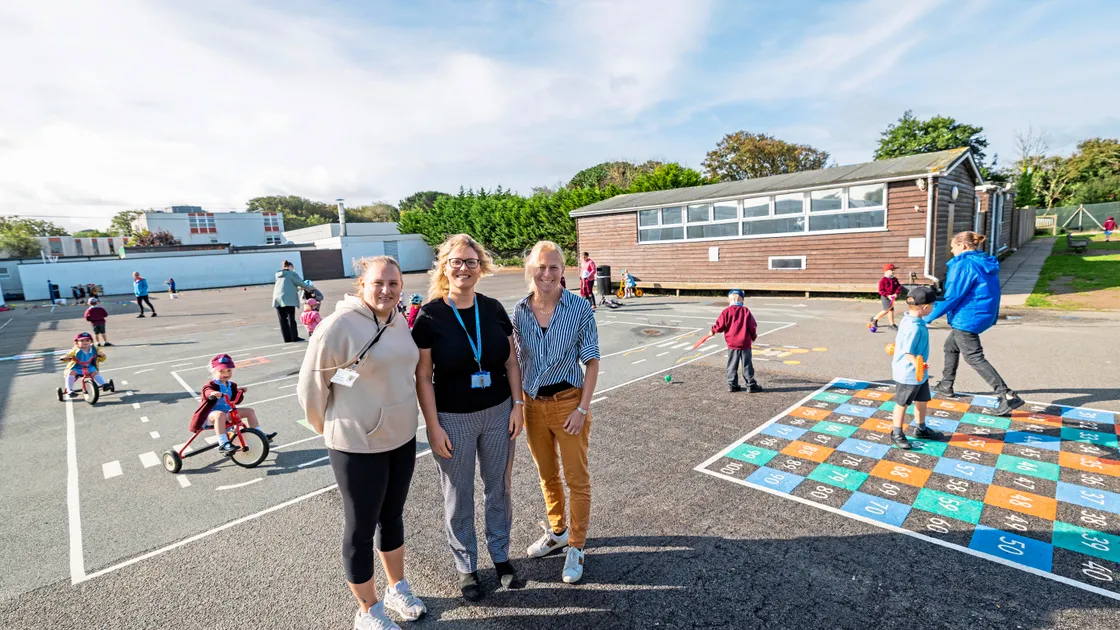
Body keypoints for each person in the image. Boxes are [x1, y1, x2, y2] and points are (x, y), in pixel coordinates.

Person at [298, 256, 426, 630]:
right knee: (360, 528)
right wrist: (339, 431)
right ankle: (367, 610)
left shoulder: (399, 319)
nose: (386, 290)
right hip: (356, 445)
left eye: (393, 284)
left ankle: (396, 588)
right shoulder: (336, 327)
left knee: (393, 517)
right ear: (362, 285)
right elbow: (310, 392)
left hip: (401, 438)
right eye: (378, 283)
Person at [412, 234, 525, 601]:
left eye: (471, 262)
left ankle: (501, 556)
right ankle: (467, 567)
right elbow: (423, 376)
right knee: (458, 495)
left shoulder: (492, 309)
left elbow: (511, 361)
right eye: (456, 262)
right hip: (452, 418)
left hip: (497, 413)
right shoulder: (430, 315)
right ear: (445, 267)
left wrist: (518, 405)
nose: (464, 268)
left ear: (481, 268)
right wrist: (432, 425)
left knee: (499, 488)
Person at [513, 241, 600, 584]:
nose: (547, 274)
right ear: (530, 270)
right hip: (533, 405)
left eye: (553, 268)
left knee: (576, 479)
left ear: (563, 271)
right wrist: (518, 405)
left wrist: (582, 408)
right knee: (547, 475)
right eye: (541, 267)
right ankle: (558, 530)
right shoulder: (519, 311)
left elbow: (591, 361)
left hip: (568, 403)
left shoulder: (578, 307)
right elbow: (516, 363)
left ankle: (576, 546)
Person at [925, 231, 1024, 416]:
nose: (952, 251)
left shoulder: (964, 264)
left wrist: (926, 318)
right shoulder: (982, 261)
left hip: (967, 316)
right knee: (950, 347)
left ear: (962, 246)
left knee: (973, 356)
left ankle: (1007, 395)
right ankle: (946, 384)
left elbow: (953, 296)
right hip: (980, 313)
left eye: (953, 247)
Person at [889, 286, 942, 449]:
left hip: (919, 373)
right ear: (925, 307)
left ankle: (921, 428)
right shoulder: (915, 326)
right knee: (902, 403)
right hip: (909, 373)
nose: (933, 308)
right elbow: (908, 352)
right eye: (933, 305)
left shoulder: (909, 319)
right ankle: (896, 432)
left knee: (922, 399)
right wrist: (918, 364)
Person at [191, 354, 274, 453]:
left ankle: (260, 434)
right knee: (219, 415)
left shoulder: (231, 385)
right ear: (213, 372)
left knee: (249, 411)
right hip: (210, 416)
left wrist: (239, 392)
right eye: (221, 371)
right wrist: (212, 393)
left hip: (227, 414)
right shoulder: (211, 385)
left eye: (229, 370)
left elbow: (237, 401)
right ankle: (223, 444)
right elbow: (206, 392)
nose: (226, 373)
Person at [712, 289, 762, 393]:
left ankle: (732, 384)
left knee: (732, 364)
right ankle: (750, 384)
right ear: (742, 300)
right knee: (747, 364)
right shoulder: (745, 311)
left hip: (732, 343)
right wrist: (753, 336)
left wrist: (713, 330)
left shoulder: (726, 312)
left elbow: (720, 325)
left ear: (728, 300)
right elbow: (752, 326)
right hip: (745, 343)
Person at [272, 261, 305, 343]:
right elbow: (301, 283)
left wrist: (296, 288)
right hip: (288, 299)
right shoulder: (291, 274)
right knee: (291, 318)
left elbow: (286, 286)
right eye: (292, 267)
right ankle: (294, 337)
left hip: (277, 299)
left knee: (282, 320)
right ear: (290, 266)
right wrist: (311, 288)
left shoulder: (278, 275)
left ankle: (287, 338)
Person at [870, 263, 902, 330]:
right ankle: (874, 318)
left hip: (892, 297)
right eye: (891, 270)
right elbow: (881, 291)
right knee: (887, 309)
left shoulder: (894, 279)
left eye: (893, 270)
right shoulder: (883, 280)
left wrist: (896, 293)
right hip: (885, 297)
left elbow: (898, 287)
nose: (893, 271)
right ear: (885, 271)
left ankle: (891, 324)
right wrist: (888, 295)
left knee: (891, 310)